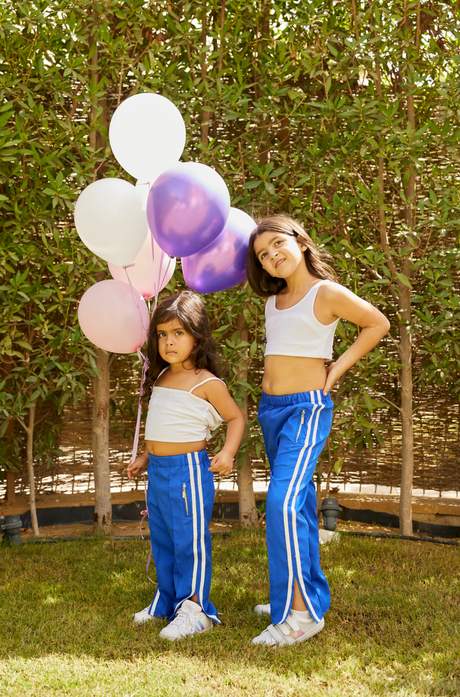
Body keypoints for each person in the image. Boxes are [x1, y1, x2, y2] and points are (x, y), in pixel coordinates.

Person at [246, 215, 390, 647]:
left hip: (305, 410)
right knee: (300, 506)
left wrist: (336, 370)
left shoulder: (324, 292)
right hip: (272, 410)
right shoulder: (274, 302)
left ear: (301, 242)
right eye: (263, 254)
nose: (272, 255)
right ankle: (302, 596)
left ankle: (301, 615)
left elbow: (377, 323)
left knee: (282, 504)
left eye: (277, 244)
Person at [127, 291, 245, 641]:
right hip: (158, 471)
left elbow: (236, 418)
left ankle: (195, 609)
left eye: (178, 333)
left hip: (187, 473)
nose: (169, 341)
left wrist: (227, 452)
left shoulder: (207, 382)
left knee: (188, 540)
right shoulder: (161, 376)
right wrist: (145, 455)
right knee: (163, 538)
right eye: (162, 334)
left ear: (197, 336)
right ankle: (166, 600)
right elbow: (164, 424)